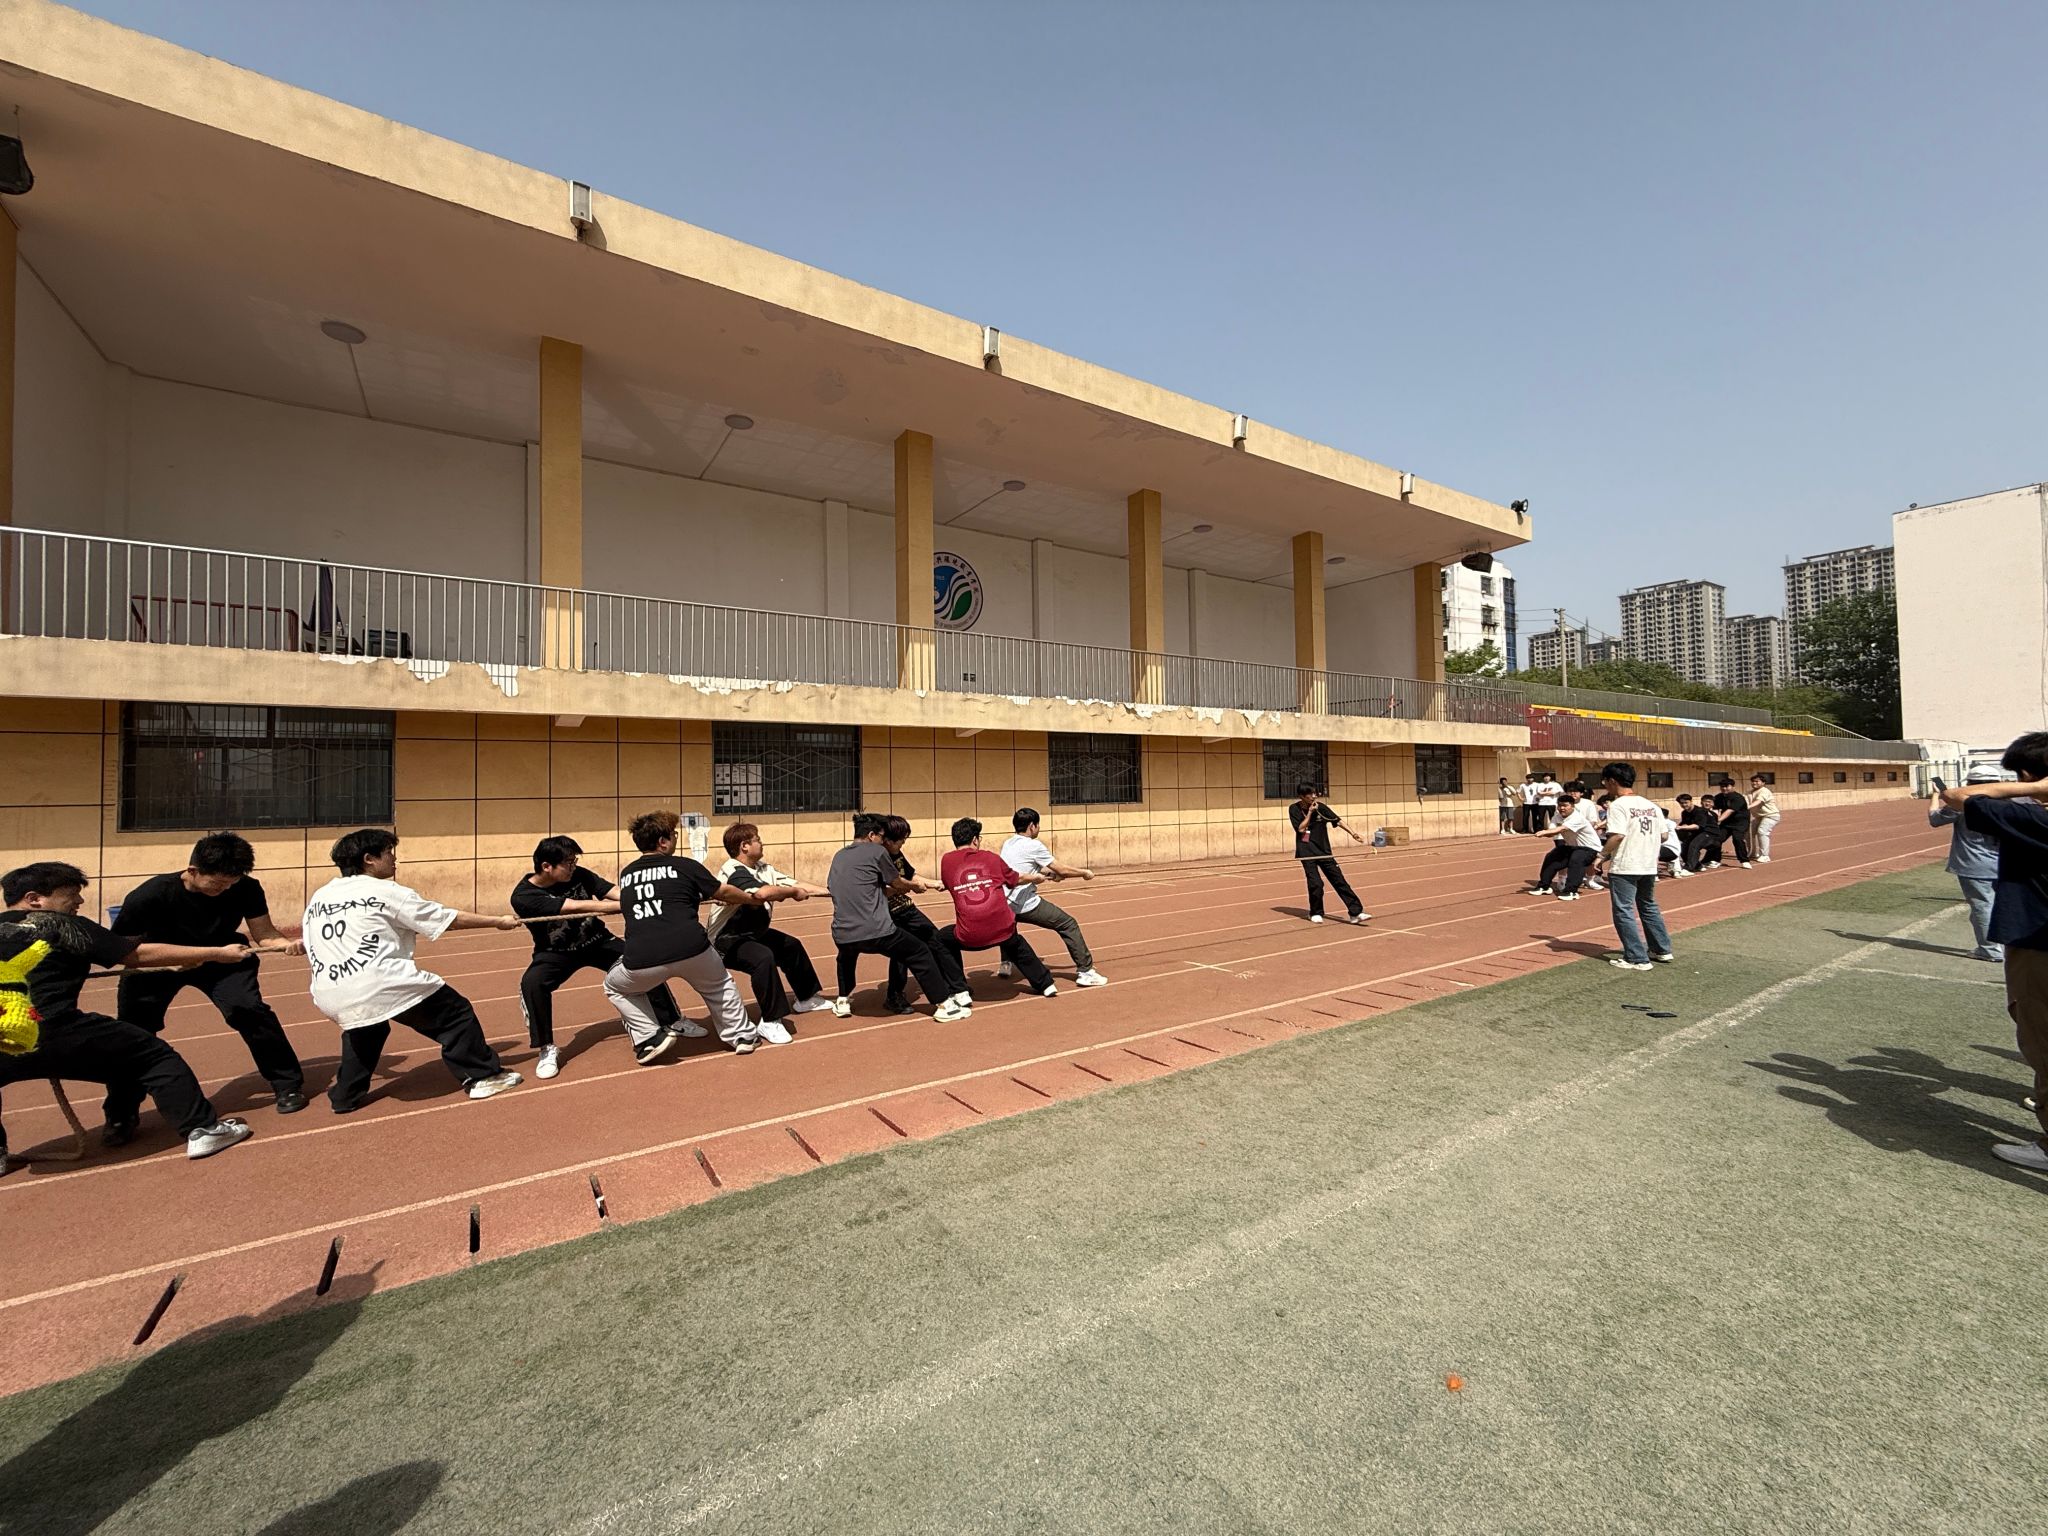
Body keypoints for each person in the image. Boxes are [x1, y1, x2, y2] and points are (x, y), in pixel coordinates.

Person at [0, 861, 257, 1166]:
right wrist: (216, 953)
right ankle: (202, 1129)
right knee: (154, 1056)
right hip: (51, 1028)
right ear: (34, 899)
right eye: (70, 894)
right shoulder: (61, 925)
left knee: (120, 1061)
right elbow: (135, 954)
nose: (80, 901)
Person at [305, 829, 525, 1113]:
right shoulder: (386, 891)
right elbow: (445, 919)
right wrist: (497, 921)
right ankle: (483, 1076)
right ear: (369, 859)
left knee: (366, 1028)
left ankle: (345, 1095)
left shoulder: (321, 896)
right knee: (455, 1014)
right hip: (381, 983)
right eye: (388, 852)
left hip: (329, 992)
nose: (394, 859)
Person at [108, 831, 307, 1128]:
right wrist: (194, 956)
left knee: (248, 1009)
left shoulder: (246, 888)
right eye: (217, 883)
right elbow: (126, 952)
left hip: (223, 960)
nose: (224, 889)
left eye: (231, 883)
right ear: (193, 871)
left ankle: (287, 1083)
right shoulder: (149, 895)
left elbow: (265, 934)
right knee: (134, 1030)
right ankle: (121, 1112)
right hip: (159, 963)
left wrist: (285, 945)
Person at [1938, 734, 2048, 1171]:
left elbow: (1956, 796)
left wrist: (2034, 788)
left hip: (2038, 942)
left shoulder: (2033, 817)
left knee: (2041, 1040)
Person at [511, 835, 686, 1079]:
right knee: (532, 983)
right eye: (568, 863)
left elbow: (612, 892)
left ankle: (673, 1020)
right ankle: (546, 1047)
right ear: (546, 866)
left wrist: (644, 898)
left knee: (643, 960)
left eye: (574, 861)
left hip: (597, 941)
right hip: (556, 952)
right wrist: (623, 905)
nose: (573, 866)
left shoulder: (579, 874)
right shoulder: (524, 896)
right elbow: (576, 907)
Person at [602, 811, 771, 1054]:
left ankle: (649, 1038)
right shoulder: (685, 865)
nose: (676, 838)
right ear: (663, 842)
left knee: (616, 987)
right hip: (693, 948)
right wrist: (751, 898)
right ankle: (742, 1036)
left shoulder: (627, 874)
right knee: (719, 986)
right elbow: (722, 891)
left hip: (642, 958)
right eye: (673, 834)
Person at [828, 814, 970, 1020]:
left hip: (843, 931)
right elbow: (897, 883)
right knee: (918, 951)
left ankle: (842, 1000)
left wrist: (929, 883)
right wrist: (913, 887)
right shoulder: (877, 852)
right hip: (878, 924)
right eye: (884, 837)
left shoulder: (840, 856)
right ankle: (943, 1005)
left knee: (847, 954)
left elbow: (844, 888)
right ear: (873, 836)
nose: (901, 843)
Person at [712, 822, 833, 1042]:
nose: (762, 843)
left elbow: (797, 884)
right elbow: (762, 893)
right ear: (744, 846)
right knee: (763, 958)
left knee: (790, 946)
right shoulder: (734, 871)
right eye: (757, 839)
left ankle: (806, 998)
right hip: (726, 939)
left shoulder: (763, 868)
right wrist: (792, 892)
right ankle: (770, 1021)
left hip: (753, 933)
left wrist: (833, 892)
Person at [937, 818, 1059, 996]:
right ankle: (1046, 984)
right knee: (1015, 941)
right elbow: (1015, 878)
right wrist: (1036, 877)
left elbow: (949, 883)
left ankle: (959, 990)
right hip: (1003, 931)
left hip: (969, 935)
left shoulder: (946, 861)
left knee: (940, 939)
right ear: (975, 840)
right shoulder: (991, 858)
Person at [1000, 810, 1111, 984]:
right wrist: (1084, 873)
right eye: (1038, 825)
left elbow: (1024, 867)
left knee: (1008, 927)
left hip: (1003, 903)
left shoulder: (1008, 844)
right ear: (1032, 826)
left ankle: (1005, 963)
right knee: (1068, 924)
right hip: (1024, 904)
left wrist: (1050, 874)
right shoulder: (1034, 845)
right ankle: (1086, 972)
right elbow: (1062, 870)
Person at [879, 815, 971, 1013]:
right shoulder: (877, 857)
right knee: (902, 951)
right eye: (901, 840)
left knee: (936, 939)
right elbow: (882, 889)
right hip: (887, 913)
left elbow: (911, 875)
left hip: (906, 908)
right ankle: (894, 995)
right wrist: (909, 887)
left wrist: (934, 883)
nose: (903, 843)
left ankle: (956, 987)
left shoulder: (897, 853)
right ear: (888, 840)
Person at [1592, 761, 1675, 972]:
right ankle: (1661, 949)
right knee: (1648, 905)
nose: (1605, 786)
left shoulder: (1617, 805)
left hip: (1626, 865)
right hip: (1648, 864)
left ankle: (1636, 957)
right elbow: (1664, 835)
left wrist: (1601, 856)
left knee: (1624, 910)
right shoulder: (1651, 805)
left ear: (1612, 781)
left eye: (1605, 782)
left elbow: (1617, 835)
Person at [1931, 767, 2013, 963]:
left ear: (1969, 784)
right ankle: (2008, 945)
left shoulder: (1962, 805)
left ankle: (1990, 950)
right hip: (2005, 862)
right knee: (2002, 906)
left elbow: (1935, 819)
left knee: (1982, 907)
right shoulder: (2009, 804)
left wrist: (1935, 795)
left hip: (1974, 864)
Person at [1286, 782, 1372, 925]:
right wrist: (1310, 813)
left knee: (1339, 881)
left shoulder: (1321, 807)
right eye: (1310, 794)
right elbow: (1301, 829)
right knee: (1316, 884)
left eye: (1315, 793)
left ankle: (1355, 912)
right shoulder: (1294, 809)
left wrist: (1353, 833)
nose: (1314, 796)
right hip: (1307, 852)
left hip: (1324, 851)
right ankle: (1315, 912)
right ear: (1302, 796)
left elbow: (1338, 820)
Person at [1526, 792, 1601, 901]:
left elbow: (1562, 829)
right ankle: (1544, 886)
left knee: (1576, 859)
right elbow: (1552, 832)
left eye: (1565, 806)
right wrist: (1544, 833)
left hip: (1590, 848)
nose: (1562, 808)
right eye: (1560, 805)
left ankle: (1571, 891)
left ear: (1572, 806)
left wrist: (1544, 832)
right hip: (1572, 847)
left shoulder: (1577, 817)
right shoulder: (1557, 816)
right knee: (1551, 856)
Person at [1711, 779, 1754, 868]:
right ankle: (1715, 860)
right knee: (1717, 839)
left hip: (1740, 823)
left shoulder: (1738, 798)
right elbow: (1714, 809)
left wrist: (1719, 820)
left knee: (1737, 839)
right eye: (1722, 786)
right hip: (1726, 823)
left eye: (1727, 786)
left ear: (1733, 787)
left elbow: (1730, 811)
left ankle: (1744, 861)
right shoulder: (1718, 797)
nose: (1724, 788)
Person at [1677, 794, 1719, 872]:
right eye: (1682, 803)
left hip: (1710, 833)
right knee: (1684, 847)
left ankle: (1689, 868)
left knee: (1694, 845)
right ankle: (1697, 865)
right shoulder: (1684, 813)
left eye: (1686, 802)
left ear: (1691, 801)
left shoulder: (1699, 811)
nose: (1684, 805)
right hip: (1699, 833)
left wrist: (1682, 827)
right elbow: (1684, 824)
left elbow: (1698, 826)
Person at [1746, 774, 1781, 862]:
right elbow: (1744, 801)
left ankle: (1765, 855)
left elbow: (1759, 801)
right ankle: (1752, 853)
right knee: (1748, 832)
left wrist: (1748, 807)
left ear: (1763, 783)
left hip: (1771, 815)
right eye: (1753, 781)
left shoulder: (1764, 791)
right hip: (1759, 817)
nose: (1754, 783)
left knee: (1762, 831)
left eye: (1757, 781)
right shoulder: (1749, 792)